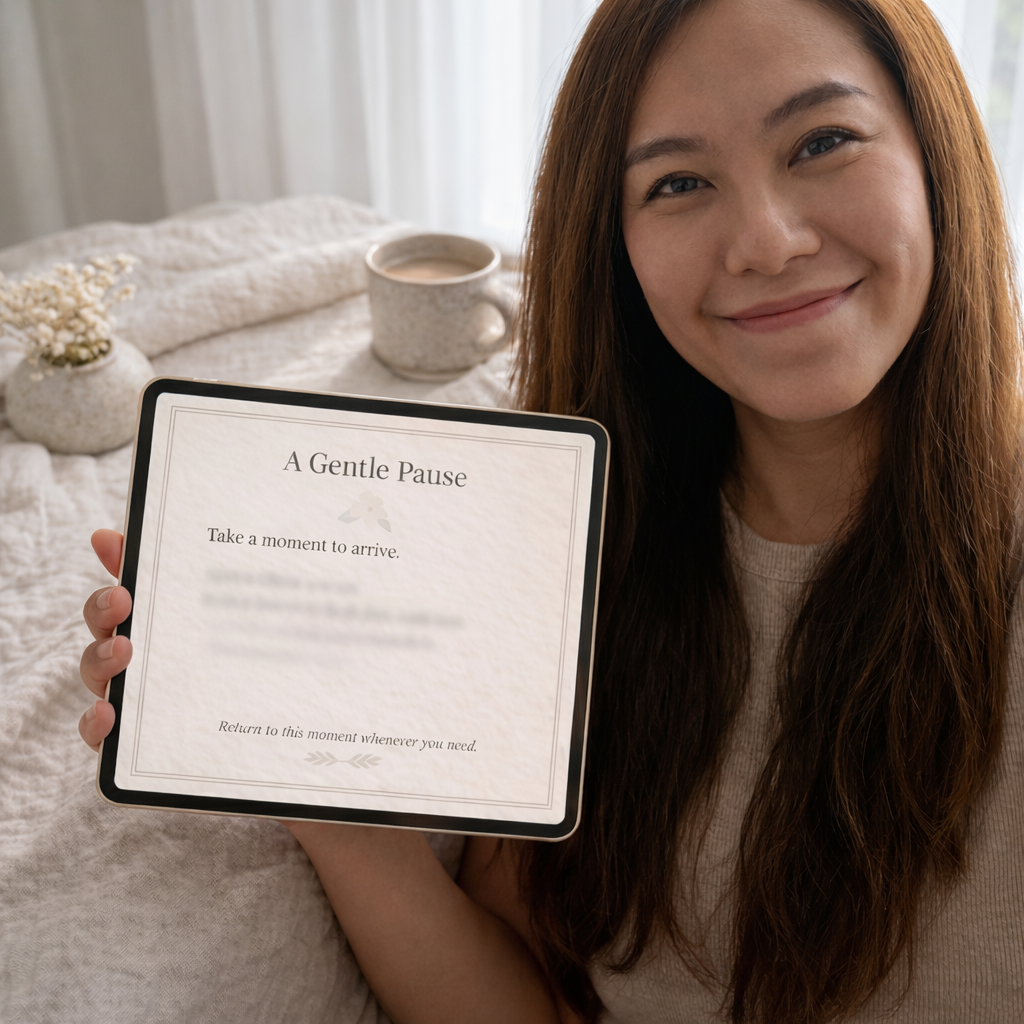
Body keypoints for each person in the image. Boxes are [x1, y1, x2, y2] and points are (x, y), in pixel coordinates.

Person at [78, 0, 1024, 1020]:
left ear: (936, 152)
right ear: (613, 245)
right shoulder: (576, 554)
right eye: (678, 182)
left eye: (822, 141)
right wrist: (327, 805)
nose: (765, 239)